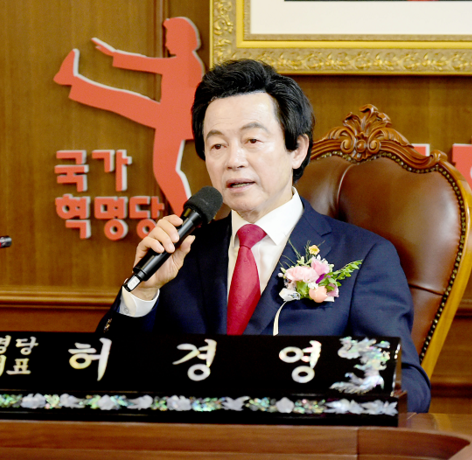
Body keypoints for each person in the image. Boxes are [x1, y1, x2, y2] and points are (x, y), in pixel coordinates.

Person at [96, 59, 431, 413]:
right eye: (217, 146)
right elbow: (104, 372)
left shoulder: (363, 257)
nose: (233, 160)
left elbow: (407, 385)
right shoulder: (182, 253)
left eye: (252, 140)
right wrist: (144, 292)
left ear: (297, 149)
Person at [54, 17, 205, 215]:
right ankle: (187, 217)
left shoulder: (185, 63)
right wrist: (114, 56)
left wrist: (114, 55)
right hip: (170, 119)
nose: (166, 42)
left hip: (175, 120)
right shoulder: (184, 62)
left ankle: (73, 81)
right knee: (164, 170)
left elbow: (147, 64)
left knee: (122, 101)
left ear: (182, 39)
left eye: (170, 37)